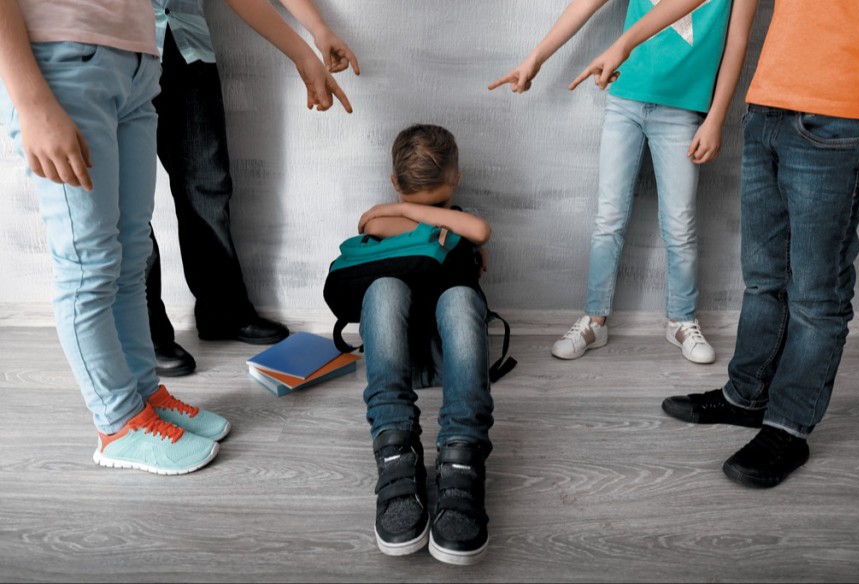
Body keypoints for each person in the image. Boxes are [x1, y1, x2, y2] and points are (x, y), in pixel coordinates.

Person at [582, 0, 859, 487]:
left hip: (842, 116)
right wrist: (627, 41)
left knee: (816, 295)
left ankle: (789, 426)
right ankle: (747, 396)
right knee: (763, 278)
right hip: (768, 108)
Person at [0, 0, 229, 475]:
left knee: (131, 256)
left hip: (135, 64)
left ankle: (143, 396)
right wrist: (32, 102)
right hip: (62, 58)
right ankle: (118, 423)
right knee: (88, 264)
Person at [489, 0, 757, 365]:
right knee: (608, 218)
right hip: (625, 99)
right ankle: (594, 320)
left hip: (683, 110)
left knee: (680, 225)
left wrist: (715, 118)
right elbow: (585, 5)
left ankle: (682, 320)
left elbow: (737, 41)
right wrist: (536, 58)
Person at [149, 0, 359, 376]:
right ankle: (144, 333)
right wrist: (303, 52)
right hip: (118, 55)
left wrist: (318, 30)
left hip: (187, 46)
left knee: (208, 185)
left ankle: (221, 311)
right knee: (128, 204)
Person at [355, 124, 494, 565]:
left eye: (437, 205)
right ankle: (396, 448)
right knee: (383, 289)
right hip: (402, 360)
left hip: (450, 361)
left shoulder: (452, 220)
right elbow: (370, 223)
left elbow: (480, 228)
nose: (430, 215)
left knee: (460, 297)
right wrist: (420, 215)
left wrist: (407, 207)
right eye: (421, 205)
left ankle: (462, 452)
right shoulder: (390, 221)